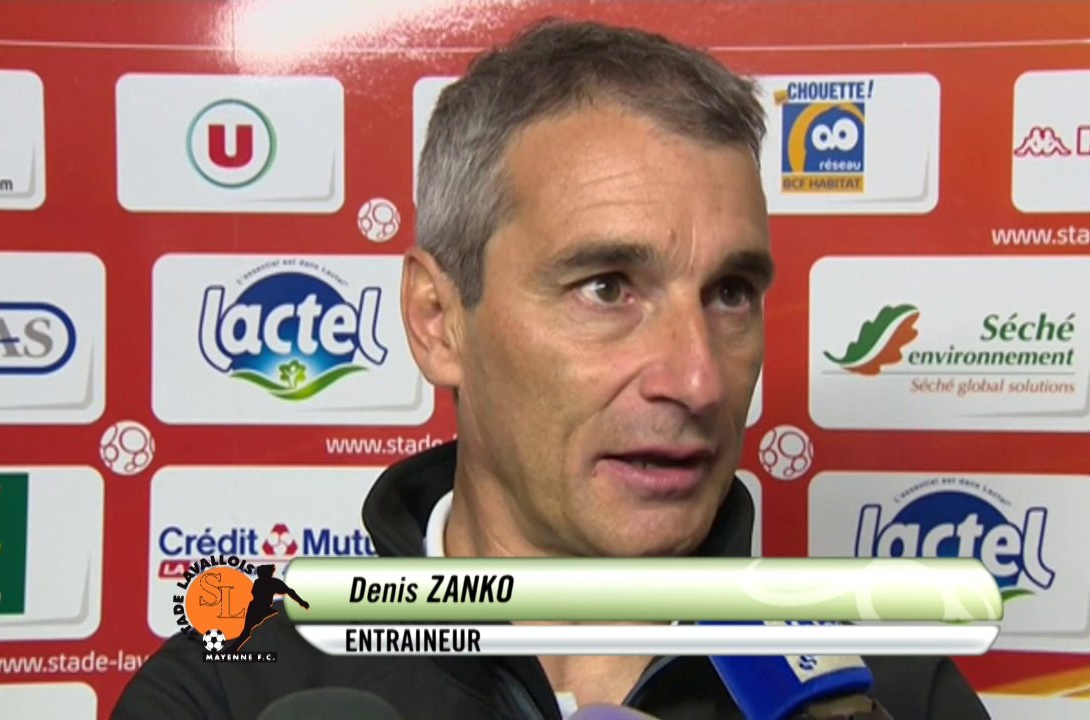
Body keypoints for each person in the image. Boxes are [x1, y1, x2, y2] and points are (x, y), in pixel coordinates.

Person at [114, 19, 991, 720]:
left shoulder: (890, 695)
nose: (699, 381)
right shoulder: (230, 689)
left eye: (729, 293)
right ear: (436, 320)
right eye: (607, 287)